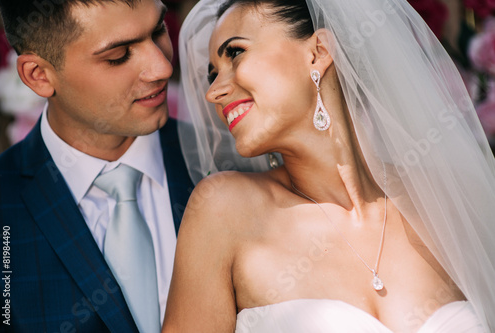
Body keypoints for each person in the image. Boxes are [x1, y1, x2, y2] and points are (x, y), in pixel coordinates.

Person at [162, 0, 495, 332]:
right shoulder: (223, 211)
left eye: (234, 53)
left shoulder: (445, 201)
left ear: (318, 51)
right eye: (213, 74)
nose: (214, 92)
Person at [0, 0, 193, 332]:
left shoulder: (233, 162)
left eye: (159, 30)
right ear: (39, 75)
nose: (162, 68)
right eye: (118, 55)